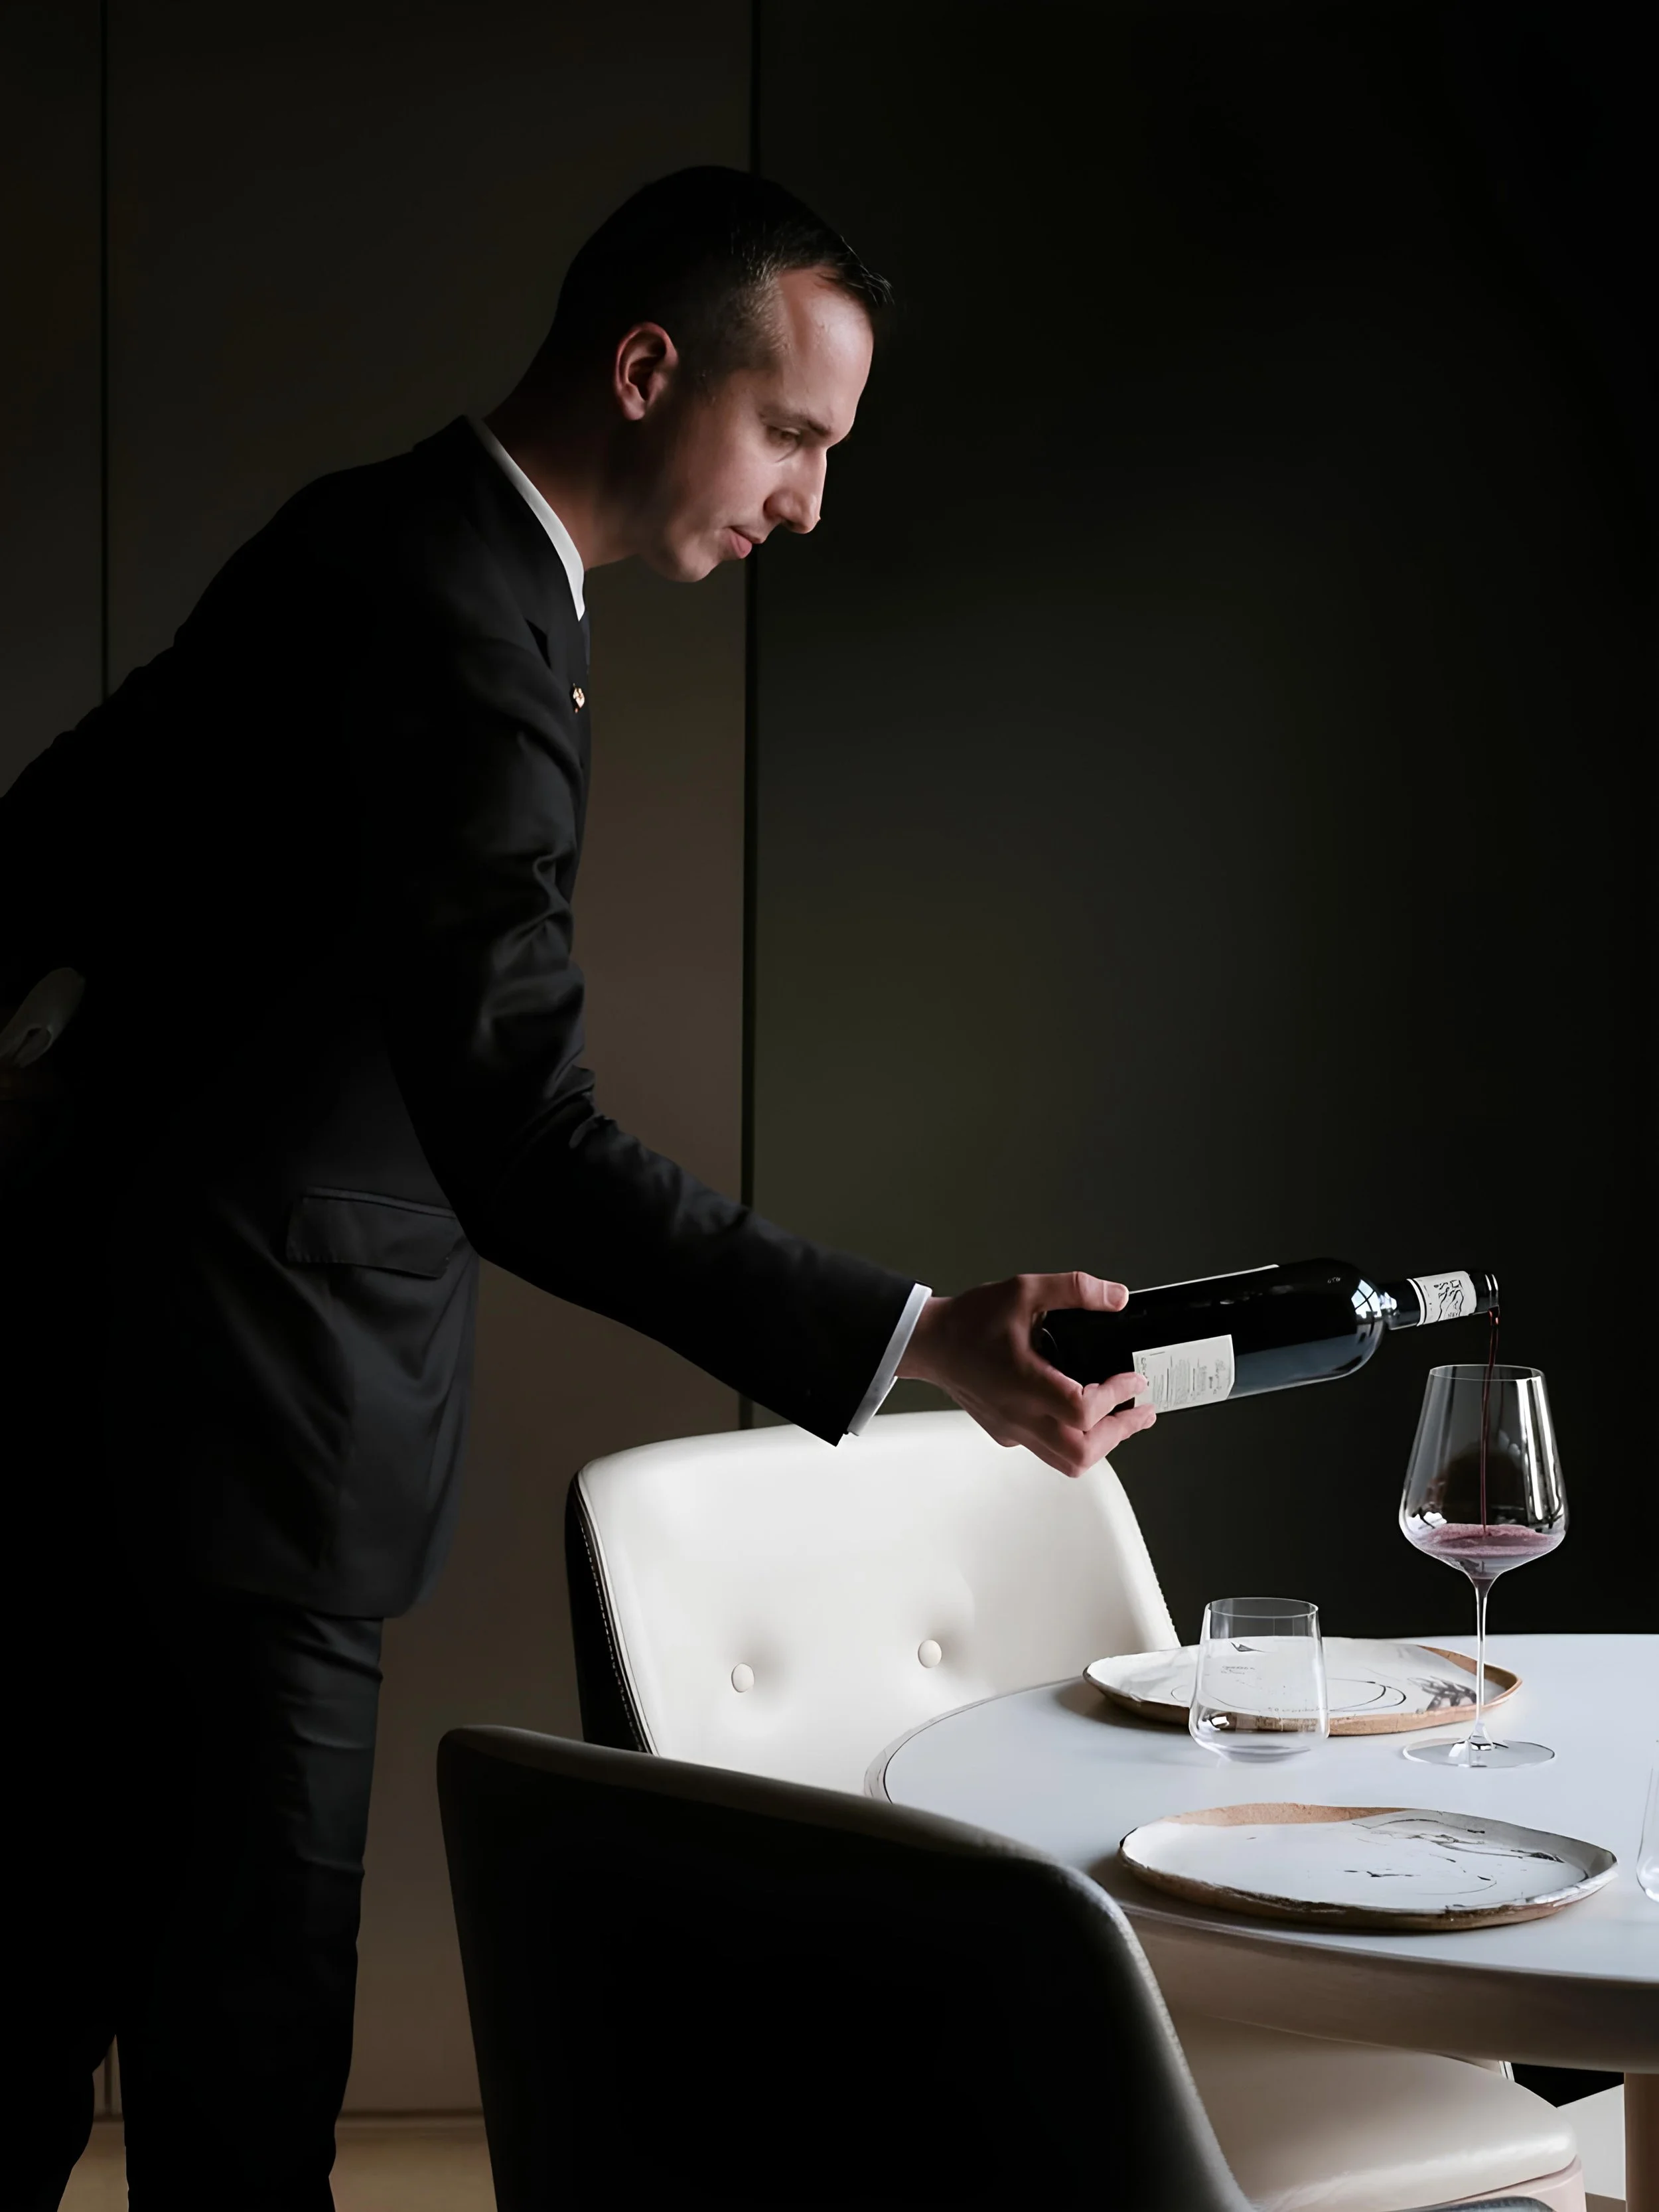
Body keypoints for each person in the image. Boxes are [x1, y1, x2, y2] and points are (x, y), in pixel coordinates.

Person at [0, 167, 1153, 2207]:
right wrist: (921, 1338)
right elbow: (524, 1140)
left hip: (87, 1395)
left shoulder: (368, 534)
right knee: (240, 2072)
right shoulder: (469, 625)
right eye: (792, 434)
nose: (805, 502)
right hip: (254, 1449)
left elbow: (46, 852)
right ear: (644, 369)